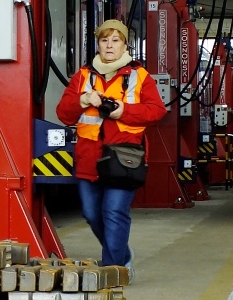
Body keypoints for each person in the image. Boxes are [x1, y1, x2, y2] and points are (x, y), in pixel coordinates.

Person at [56, 19, 166, 282]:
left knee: (114, 212)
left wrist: (123, 111)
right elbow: (63, 113)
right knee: (92, 214)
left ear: (125, 45)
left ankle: (112, 272)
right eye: (104, 40)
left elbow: (157, 111)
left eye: (115, 40)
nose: (109, 45)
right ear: (98, 44)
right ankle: (122, 254)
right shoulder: (82, 76)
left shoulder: (140, 76)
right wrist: (83, 100)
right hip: (89, 159)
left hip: (123, 158)